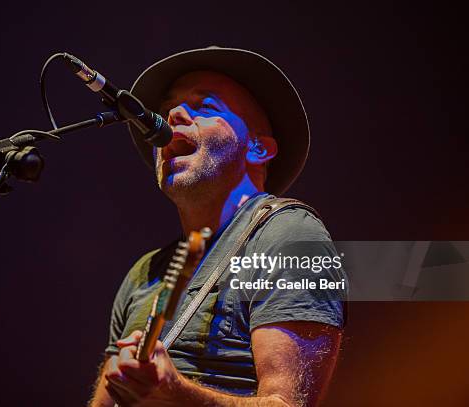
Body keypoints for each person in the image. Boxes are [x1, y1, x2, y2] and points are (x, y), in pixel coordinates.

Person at [89, 47, 346, 407]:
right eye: (167, 110)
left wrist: (174, 394)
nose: (173, 115)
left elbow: (287, 404)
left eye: (205, 107)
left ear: (258, 148)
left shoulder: (289, 236)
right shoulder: (144, 273)